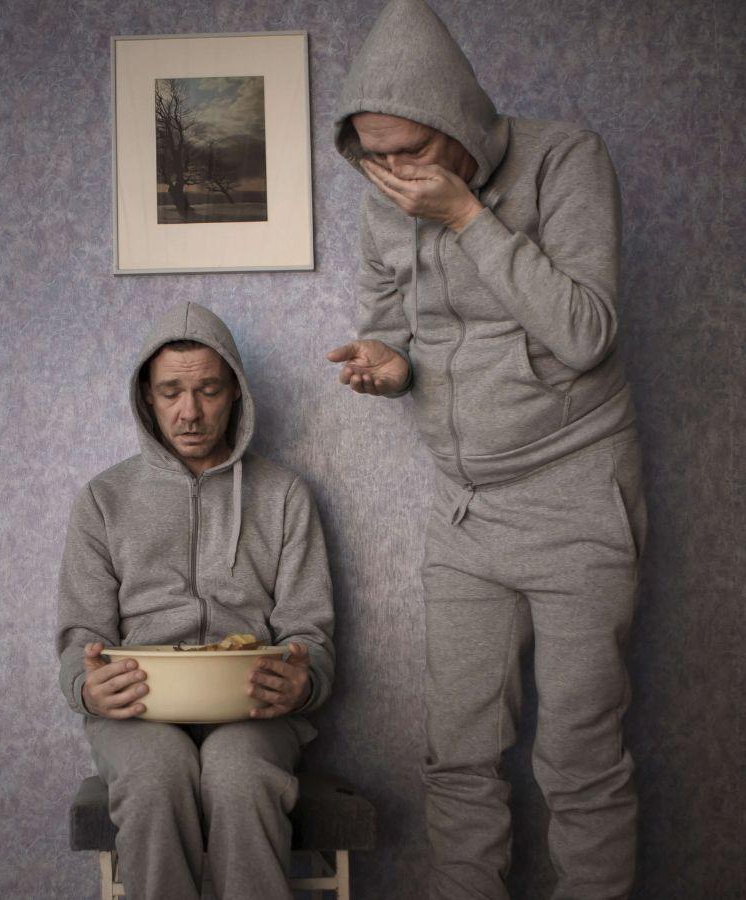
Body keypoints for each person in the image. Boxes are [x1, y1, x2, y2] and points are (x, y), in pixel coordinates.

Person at [326, 1, 647, 897]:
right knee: (458, 757)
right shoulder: (383, 202)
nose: (393, 174)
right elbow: (394, 332)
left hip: (578, 494)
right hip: (466, 508)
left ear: (459, 121)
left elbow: (588, 333)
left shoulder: (565, 159)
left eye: (410, 150)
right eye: (373, 155)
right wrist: (387, 367)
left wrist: (468, 214)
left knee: (579, 757)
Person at [56, 301, 335, 899]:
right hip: (139, 707)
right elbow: (80, 638)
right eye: (171, 393)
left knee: (239, 778)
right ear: (147, 399)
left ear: (235, 392)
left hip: (250, 711)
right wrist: (85, 686)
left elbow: (311, 636)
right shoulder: (104, 499)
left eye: (208, 390)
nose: (190, 412)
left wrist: (304, 681)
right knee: (157, 776)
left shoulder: (285, 496)